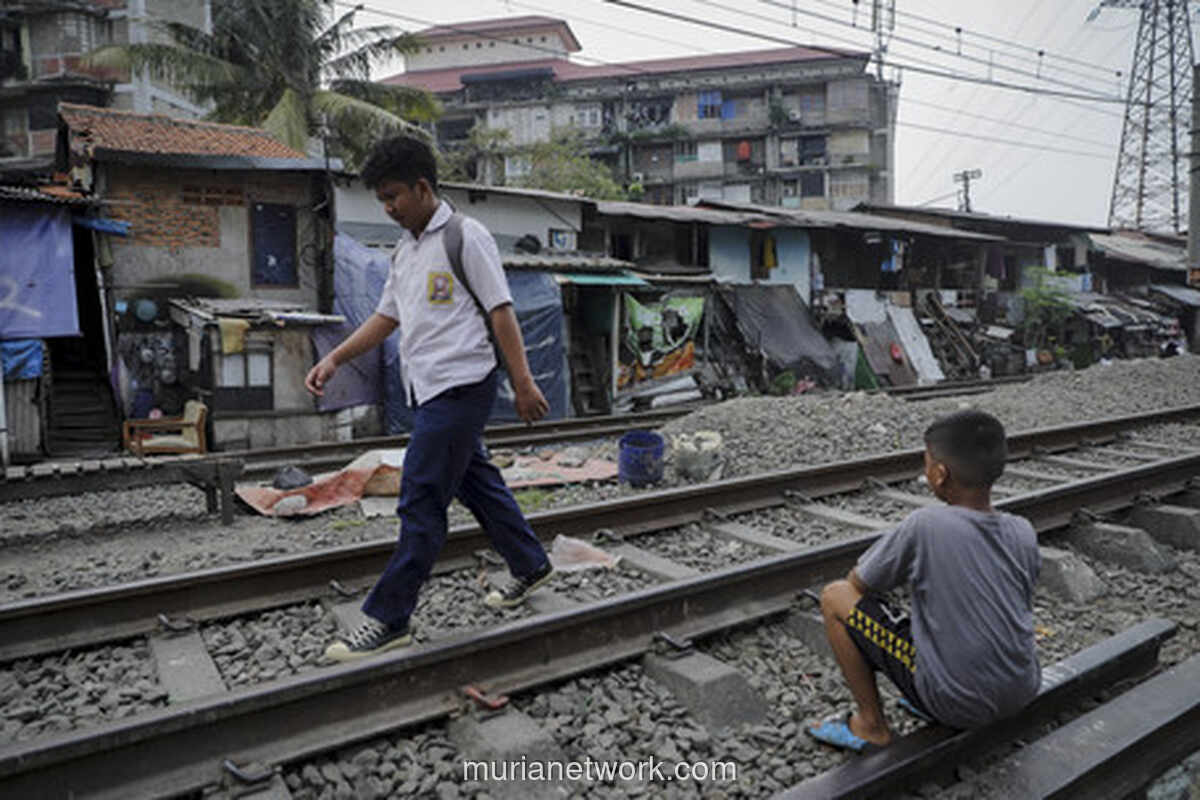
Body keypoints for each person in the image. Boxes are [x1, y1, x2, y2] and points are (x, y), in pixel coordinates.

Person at [306, 135, 554, 662]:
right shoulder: (406, 251)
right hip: (430, 390)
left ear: (423, 187)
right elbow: (385, 317)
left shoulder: (467, 237)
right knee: (477, 483)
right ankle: (531, 564)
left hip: (462, 385)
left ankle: (389, 618)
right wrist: (334, 358)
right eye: (382, 200)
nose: (389, 208)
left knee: (420, 497)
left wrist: (526, 382)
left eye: (394, 196)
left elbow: (501, 311)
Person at [806, 410, 1041, 753]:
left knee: (834, 598)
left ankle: (871, 726)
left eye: (927, 463)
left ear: (941, 474)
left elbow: (858, 583)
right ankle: (924, 693)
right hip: (1021, 689)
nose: (925, 470)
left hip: (958, 702)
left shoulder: (926, 524)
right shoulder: (1022, 530)